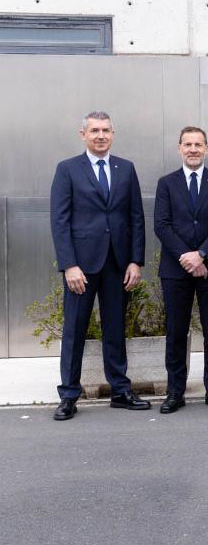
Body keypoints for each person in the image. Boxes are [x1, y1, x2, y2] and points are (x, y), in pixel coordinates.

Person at [49, 111, 149, 420]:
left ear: (113, 134)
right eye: (95, 130)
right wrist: (69, 265)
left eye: (106, 130)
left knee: (115, 329)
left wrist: (135, 260)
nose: (101, 135)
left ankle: (120, 390)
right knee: (75, 330)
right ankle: (68, 395)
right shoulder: (67, 170)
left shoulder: (126, 168)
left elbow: (136, 217)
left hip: (117, 264)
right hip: (81, 266)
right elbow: (59, 220)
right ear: (83, 135)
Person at [153, 125, 208, 414]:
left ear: (206, 148)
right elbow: (162, 224)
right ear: (179, 148)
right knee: (176, 331)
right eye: (187, 144)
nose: (193, 149)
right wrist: (186, 257)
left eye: (198, 144)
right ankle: (175, 391)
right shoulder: (166, 183)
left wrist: (201, 255)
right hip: (175, 270)